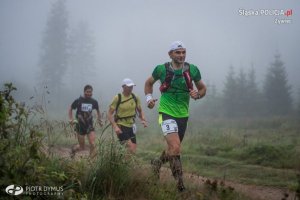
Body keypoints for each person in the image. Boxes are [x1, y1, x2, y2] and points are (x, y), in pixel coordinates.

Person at [144, 41, 206, 192]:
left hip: (183, 114)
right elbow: (148, 83)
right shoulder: (161, 69)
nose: (181, 55)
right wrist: (149, 99)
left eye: (183, 52)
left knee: (173, 149)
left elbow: (203, 88)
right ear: (170, 54)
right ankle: (181, 187)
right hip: (166, 112)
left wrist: (197, 95)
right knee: (176, 147)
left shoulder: (192, 69)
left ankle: (157, 163)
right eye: (178, 52)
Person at [108, 78, 147, 154]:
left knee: (133, 151)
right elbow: (109, 114)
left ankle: (124, 165)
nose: (131, 88)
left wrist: (143, 119)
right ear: (123, 87)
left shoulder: (135, 97)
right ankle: (123, 164)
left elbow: (140, 110)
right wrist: (115, 127)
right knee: (130, 148)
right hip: (121, 126)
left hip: (131, 126)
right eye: (129, 87)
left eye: (132, 86)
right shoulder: (118, 98)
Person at [68, 84, 102, 158]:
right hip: (80, 126)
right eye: (87, 92)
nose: (89, 93)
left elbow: (98, 110)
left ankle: (91, 162)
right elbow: (70, 108)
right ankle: (73, 150)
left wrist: (99, 119)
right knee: (81, 147)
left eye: (90, 92)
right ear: (84, 92)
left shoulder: (94, 101)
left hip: (89, 125)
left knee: (93, 144)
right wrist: (70, 119)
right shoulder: (79, 100)